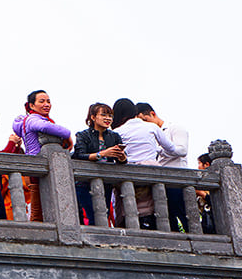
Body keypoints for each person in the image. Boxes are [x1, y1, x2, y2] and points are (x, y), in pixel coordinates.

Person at [111, 98, 183, 229]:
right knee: (156, 207)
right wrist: (156, 150)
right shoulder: (151, 127)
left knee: (130, 208)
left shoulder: (117, 131)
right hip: (152, 172)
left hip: (129, 172)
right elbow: (172, 149)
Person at [13, 90, 71, 222]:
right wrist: (67, 134)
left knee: (44, 205)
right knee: (37, 208)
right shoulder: (33, 119)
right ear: (32, 106)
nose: (46, 104)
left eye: (48, 101)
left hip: (41, 165)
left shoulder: (35, 119)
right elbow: (43, 127)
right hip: (37, 166)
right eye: (42, 101)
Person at [136, 101, 190, 232]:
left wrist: (159, 150)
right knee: (167, 215)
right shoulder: (149, 135)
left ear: (152, 114)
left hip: (177, 178)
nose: (144, 125)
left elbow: (182, 150)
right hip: (159, 181)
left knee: (183, 213)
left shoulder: (175, 128)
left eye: (145, 120)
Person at [72, 103, 127, 225]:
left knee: (104, 214)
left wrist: (122, 156)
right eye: (103, 115)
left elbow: (122, 162)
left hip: (106, 182)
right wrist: (101, 154)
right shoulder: (83, 135)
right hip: (84, 183)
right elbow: (79, 155)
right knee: (90, 214)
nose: (108, 119)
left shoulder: (114, 136)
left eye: (110, 116)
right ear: (93, 117)